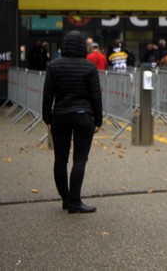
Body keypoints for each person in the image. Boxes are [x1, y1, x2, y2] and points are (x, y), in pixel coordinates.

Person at [42, 31, 103, 214]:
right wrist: (98, 120)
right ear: (82, 46)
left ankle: (66, 199)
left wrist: (47, 118)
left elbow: (47, 96)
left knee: (60, 160)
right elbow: (96, 96)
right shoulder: (89, 67)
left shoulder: (54, 66)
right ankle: (76, 201)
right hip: (83, 116)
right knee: (80, 159)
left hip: (60, 116)